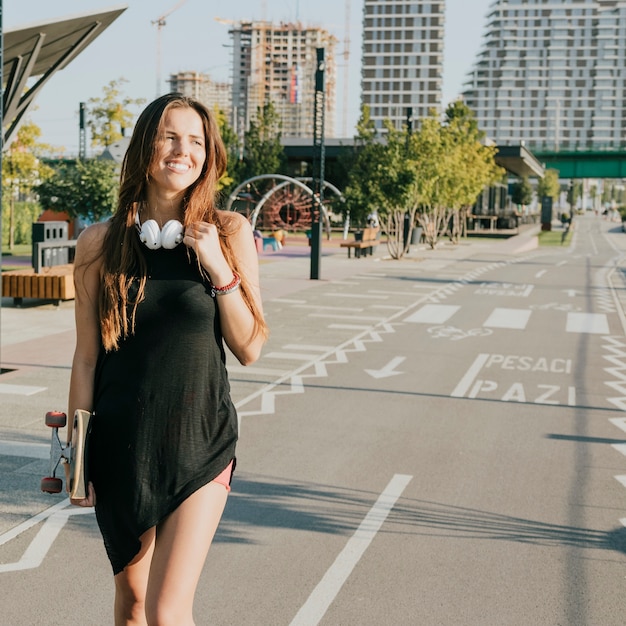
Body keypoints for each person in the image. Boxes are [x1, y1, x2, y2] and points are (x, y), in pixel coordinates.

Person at [67, 92, 268, 625]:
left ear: (209, 154)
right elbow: (86, 359)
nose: (184, 151)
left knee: (166, 609)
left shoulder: (230, 232)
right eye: (169, 137)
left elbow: (249, 347)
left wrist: (216, 265)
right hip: (120, 448)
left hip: (199, 443)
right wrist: (77, 458)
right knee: (133, 608)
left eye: (196, 141)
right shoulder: (97, 244)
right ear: (144, 149)